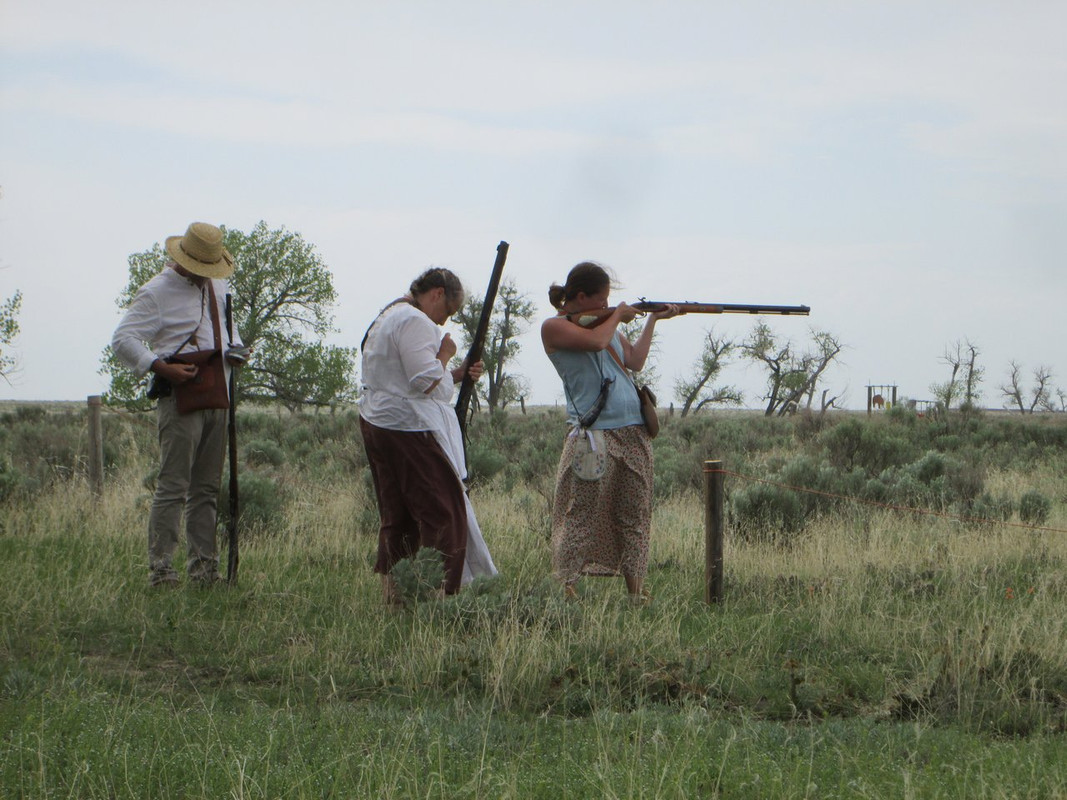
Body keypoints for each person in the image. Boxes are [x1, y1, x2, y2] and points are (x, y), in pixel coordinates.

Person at [112, 222, 246, 588]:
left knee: (205, 489)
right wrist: (160, 366)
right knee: (173, 487)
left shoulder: (219, 285)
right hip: (179, 397)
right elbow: (123, 339)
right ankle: (162, 571)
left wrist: (237, 351)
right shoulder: (156, 292)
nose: (207, 276)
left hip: (219, 393)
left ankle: (205, 572)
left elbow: (228, 333)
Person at [540, 262, 678, 601]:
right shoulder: (554, 328)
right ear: (581, 296)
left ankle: (635, 592)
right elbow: (596, 343)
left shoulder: (607, 327)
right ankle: (566, 586)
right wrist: (616, 315)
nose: (605, 307)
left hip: (633, 431)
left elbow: (634, 361)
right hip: (593, 434)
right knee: (579, 515)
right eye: (601, 301)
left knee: (635, 514)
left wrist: (652, 320)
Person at [359, 267, 496, 604]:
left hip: (380, 422)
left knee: (398, 515)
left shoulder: (389, 314)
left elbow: (411, 379)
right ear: (436, 293)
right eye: (446, 311)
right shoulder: (415, 320)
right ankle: (439, 595)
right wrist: (447, 354)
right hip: (409, 428)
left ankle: (396, 595)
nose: (444, 323)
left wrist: (458, 374)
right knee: (444, 512)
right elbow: (424, 381)